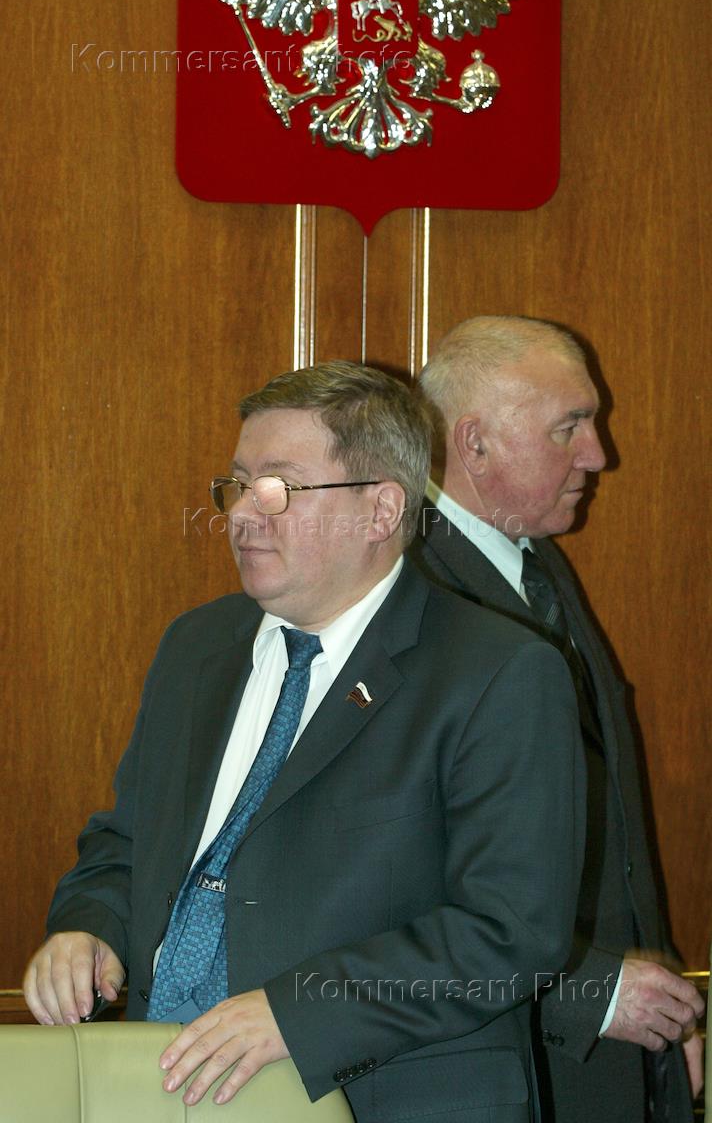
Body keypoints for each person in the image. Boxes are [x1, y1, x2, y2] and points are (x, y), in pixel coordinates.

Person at [24, 361, 585, 1122]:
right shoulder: (197, 647)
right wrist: (89, 927)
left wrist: (298, 1013)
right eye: (237, 485)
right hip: (160, 1085)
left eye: (281, 488)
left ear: (381, 510)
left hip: (383, 1095)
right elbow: (126, 841)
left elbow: (511, 931)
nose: (244, 514)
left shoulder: (497, 672)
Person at [412, 316, 705, 1123]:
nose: (598, 454)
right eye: (568, 427)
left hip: (614, 1050)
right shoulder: (406, 592)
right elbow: (391, 869)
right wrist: (586, 992)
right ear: (474, 443)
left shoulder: (535, 561)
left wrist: (659, 998)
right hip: (504, 1060)